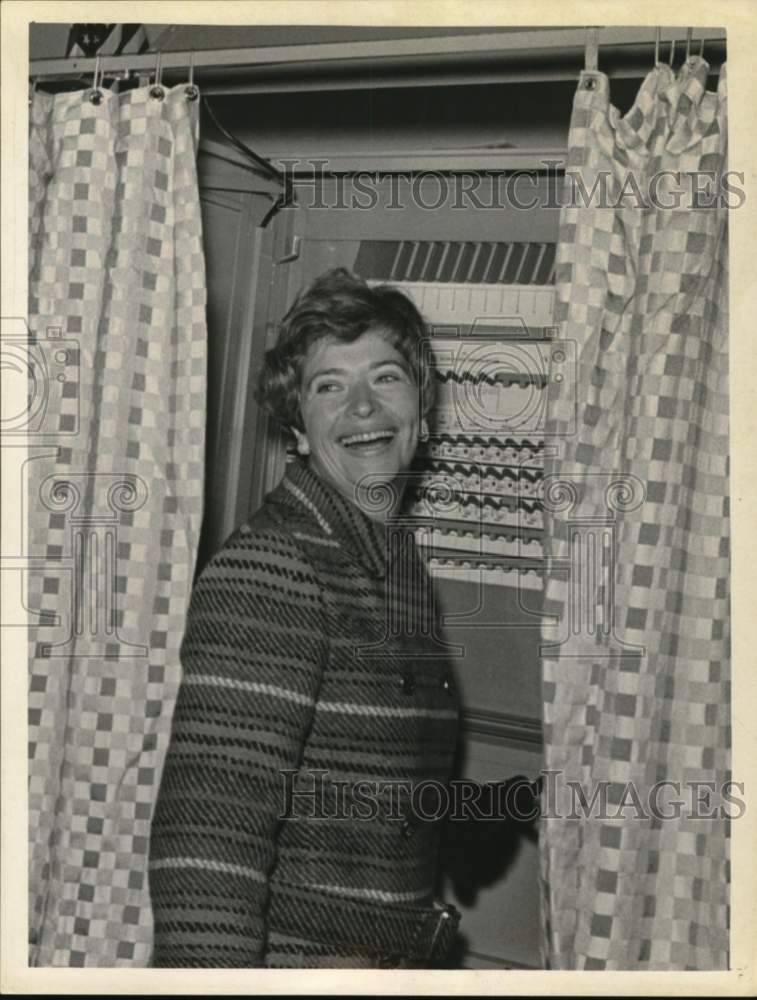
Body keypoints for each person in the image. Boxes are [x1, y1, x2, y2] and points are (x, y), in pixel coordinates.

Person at [148, 267, 462, 968]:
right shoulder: (273, 569)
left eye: (385, 377)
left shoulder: (393, 566)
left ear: (423, 411)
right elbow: (208, 851)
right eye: (329, 386)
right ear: (294, 428)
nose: (361, 408)